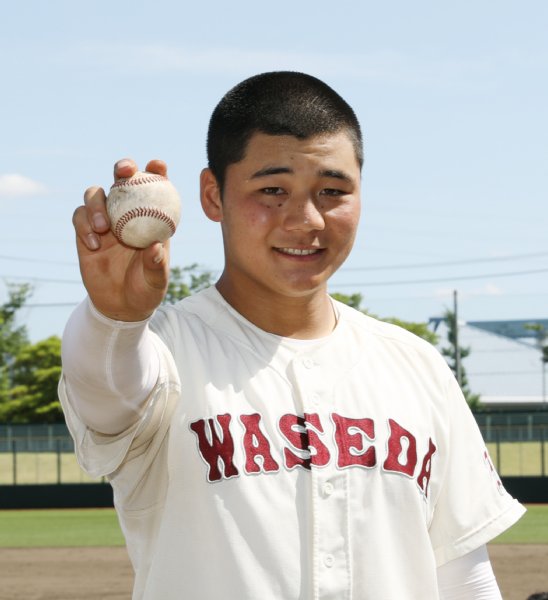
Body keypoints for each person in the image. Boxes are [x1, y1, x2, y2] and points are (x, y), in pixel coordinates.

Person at [59, 71, 525, 599]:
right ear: (213, 196)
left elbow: (466, 580)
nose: (306, 220)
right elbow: (106, 391)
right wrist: (113, 317)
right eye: (272, 190)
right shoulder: (164, 349)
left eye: (332, 191)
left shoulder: (416, 366)